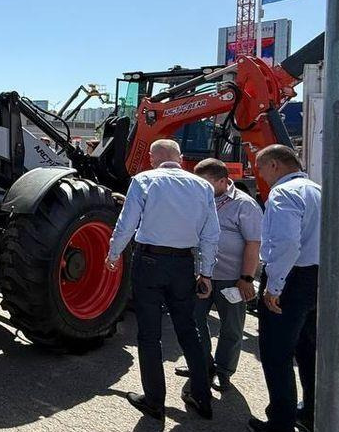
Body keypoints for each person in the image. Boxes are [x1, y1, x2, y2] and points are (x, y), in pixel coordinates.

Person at [106, 139, 220, 422]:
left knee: (149, 334)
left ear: (152, 158)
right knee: (188, 330)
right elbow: (211, 234)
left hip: (149, 262)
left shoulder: (144, 180)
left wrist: (113, 254)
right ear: (179, 158)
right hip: (184, 263)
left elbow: (126, 223)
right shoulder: (202, 186)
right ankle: (202, 397)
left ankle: (154, 401)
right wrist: (206, 272)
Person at [248, 145, 321, 432]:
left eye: (261, 168)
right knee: (307, 350)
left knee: (276, 354)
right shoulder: (317, 189)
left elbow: (286, 244)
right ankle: (311, 412)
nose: (260, 175)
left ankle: (280, 422)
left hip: (291, 279)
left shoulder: (283, 193)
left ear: (275, 165)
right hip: (316, 278)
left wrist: (274, 287)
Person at [174, 158, 262, 391]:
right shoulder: (198, 200)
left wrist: (246, 278)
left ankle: (223, 370)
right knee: (194, 322)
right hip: (200, 276)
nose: (198, 187)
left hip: (230, 278)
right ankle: (202, 364)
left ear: (222, 181)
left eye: (204, 183)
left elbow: (254, 243)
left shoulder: (245, 205)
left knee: (231, 327)